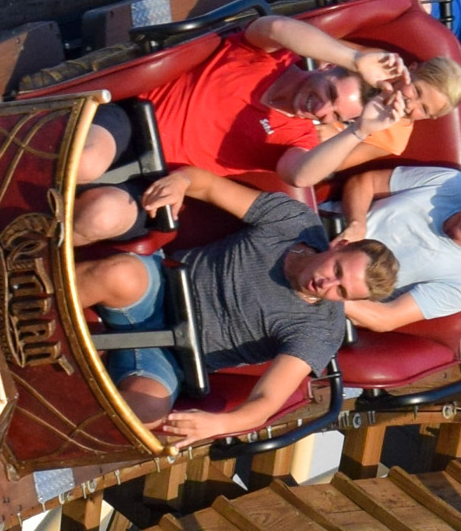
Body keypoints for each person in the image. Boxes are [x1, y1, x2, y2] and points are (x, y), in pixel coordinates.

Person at [76, 167, 395, 446]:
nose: (327, 284)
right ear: (338, 245)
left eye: (341, 291)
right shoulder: (295, 222)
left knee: (145, 412)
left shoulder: (322, 330)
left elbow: (267, 400)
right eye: (336, 270)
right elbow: (210, 186)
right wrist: (182, 181)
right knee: (118, 274)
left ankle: (47, 423)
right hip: (159, 288)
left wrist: (222, 425)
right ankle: (33, 304)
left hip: (170, 357)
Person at [70, 13, 461, 207]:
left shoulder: (308, 134)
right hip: (133, 119)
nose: (408, 104)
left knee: (103, 213)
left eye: (420, 111)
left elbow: (303, 173)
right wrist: (355, 58)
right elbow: (273, 28)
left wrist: (357, 130)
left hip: (163, 175)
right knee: (87, 162)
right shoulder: (275, 58)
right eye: (417, 93)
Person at [334, 168, 461, 333]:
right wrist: (356, 223)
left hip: (333, 290)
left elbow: (387, 318)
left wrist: (330, 288)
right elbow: (365, 183)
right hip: (322, 227)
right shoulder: (448, 181)